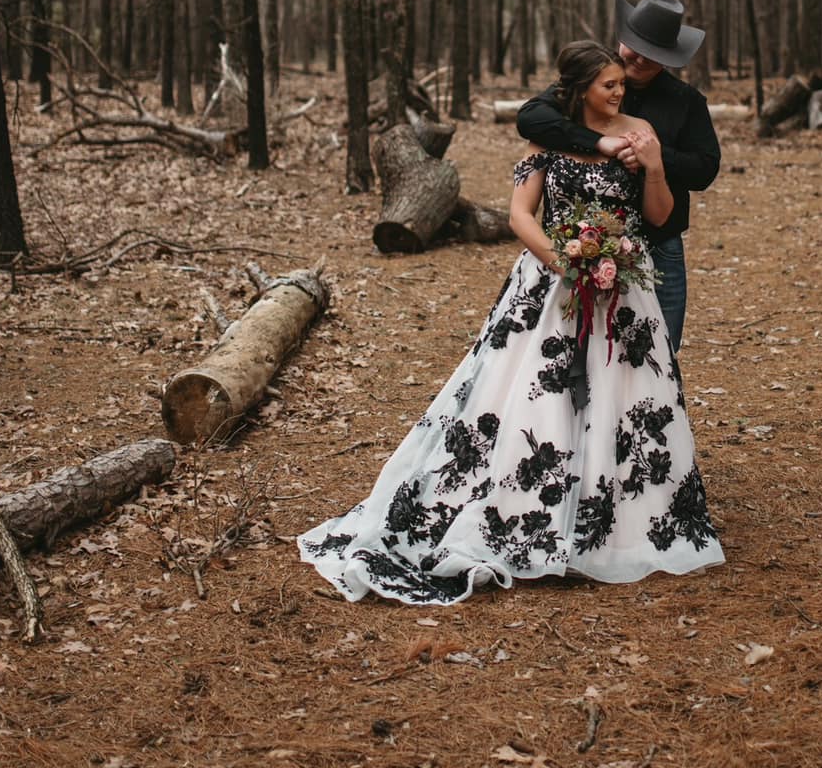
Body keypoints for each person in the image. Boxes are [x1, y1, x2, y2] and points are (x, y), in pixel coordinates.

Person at [300, 41, 723, 605]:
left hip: (625, 285)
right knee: (532, 395)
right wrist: (566, 264)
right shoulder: (547, 136)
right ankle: (530, 505)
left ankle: (621, 516)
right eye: (610, 85)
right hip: (553, 284)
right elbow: (522, 215)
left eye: (623, 83)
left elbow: (661, 215)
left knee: (628, 394)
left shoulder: (642, 130)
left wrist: (651, 166)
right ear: (582, 91)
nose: (621, 92)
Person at [517, 0, 720, 353]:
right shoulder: (589, 83)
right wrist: (598, 141)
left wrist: (653, 158)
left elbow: (704, 169)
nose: (638, 58)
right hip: (580, 244)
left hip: (658, 243)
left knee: (657, 351)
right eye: (633, 46)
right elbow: (531, 118)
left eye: (650, 53)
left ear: (668, 58)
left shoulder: (685, 101)